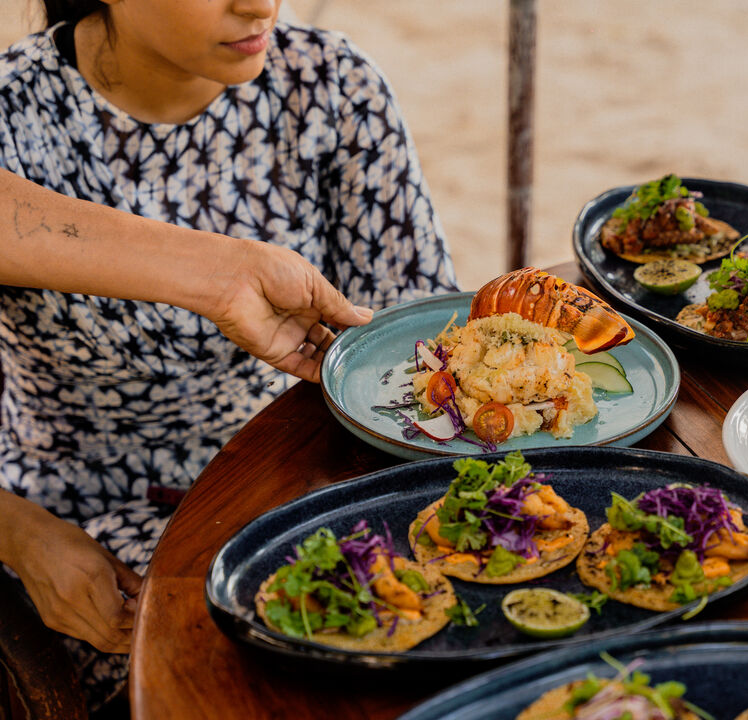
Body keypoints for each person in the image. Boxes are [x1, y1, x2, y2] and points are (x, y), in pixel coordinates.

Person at [0, 0, 457, 712]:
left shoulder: (330, 83)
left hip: (310, 488)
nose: (260, 5)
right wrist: (23, 537)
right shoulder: (16, 116)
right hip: (97, 530)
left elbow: (423, 349)